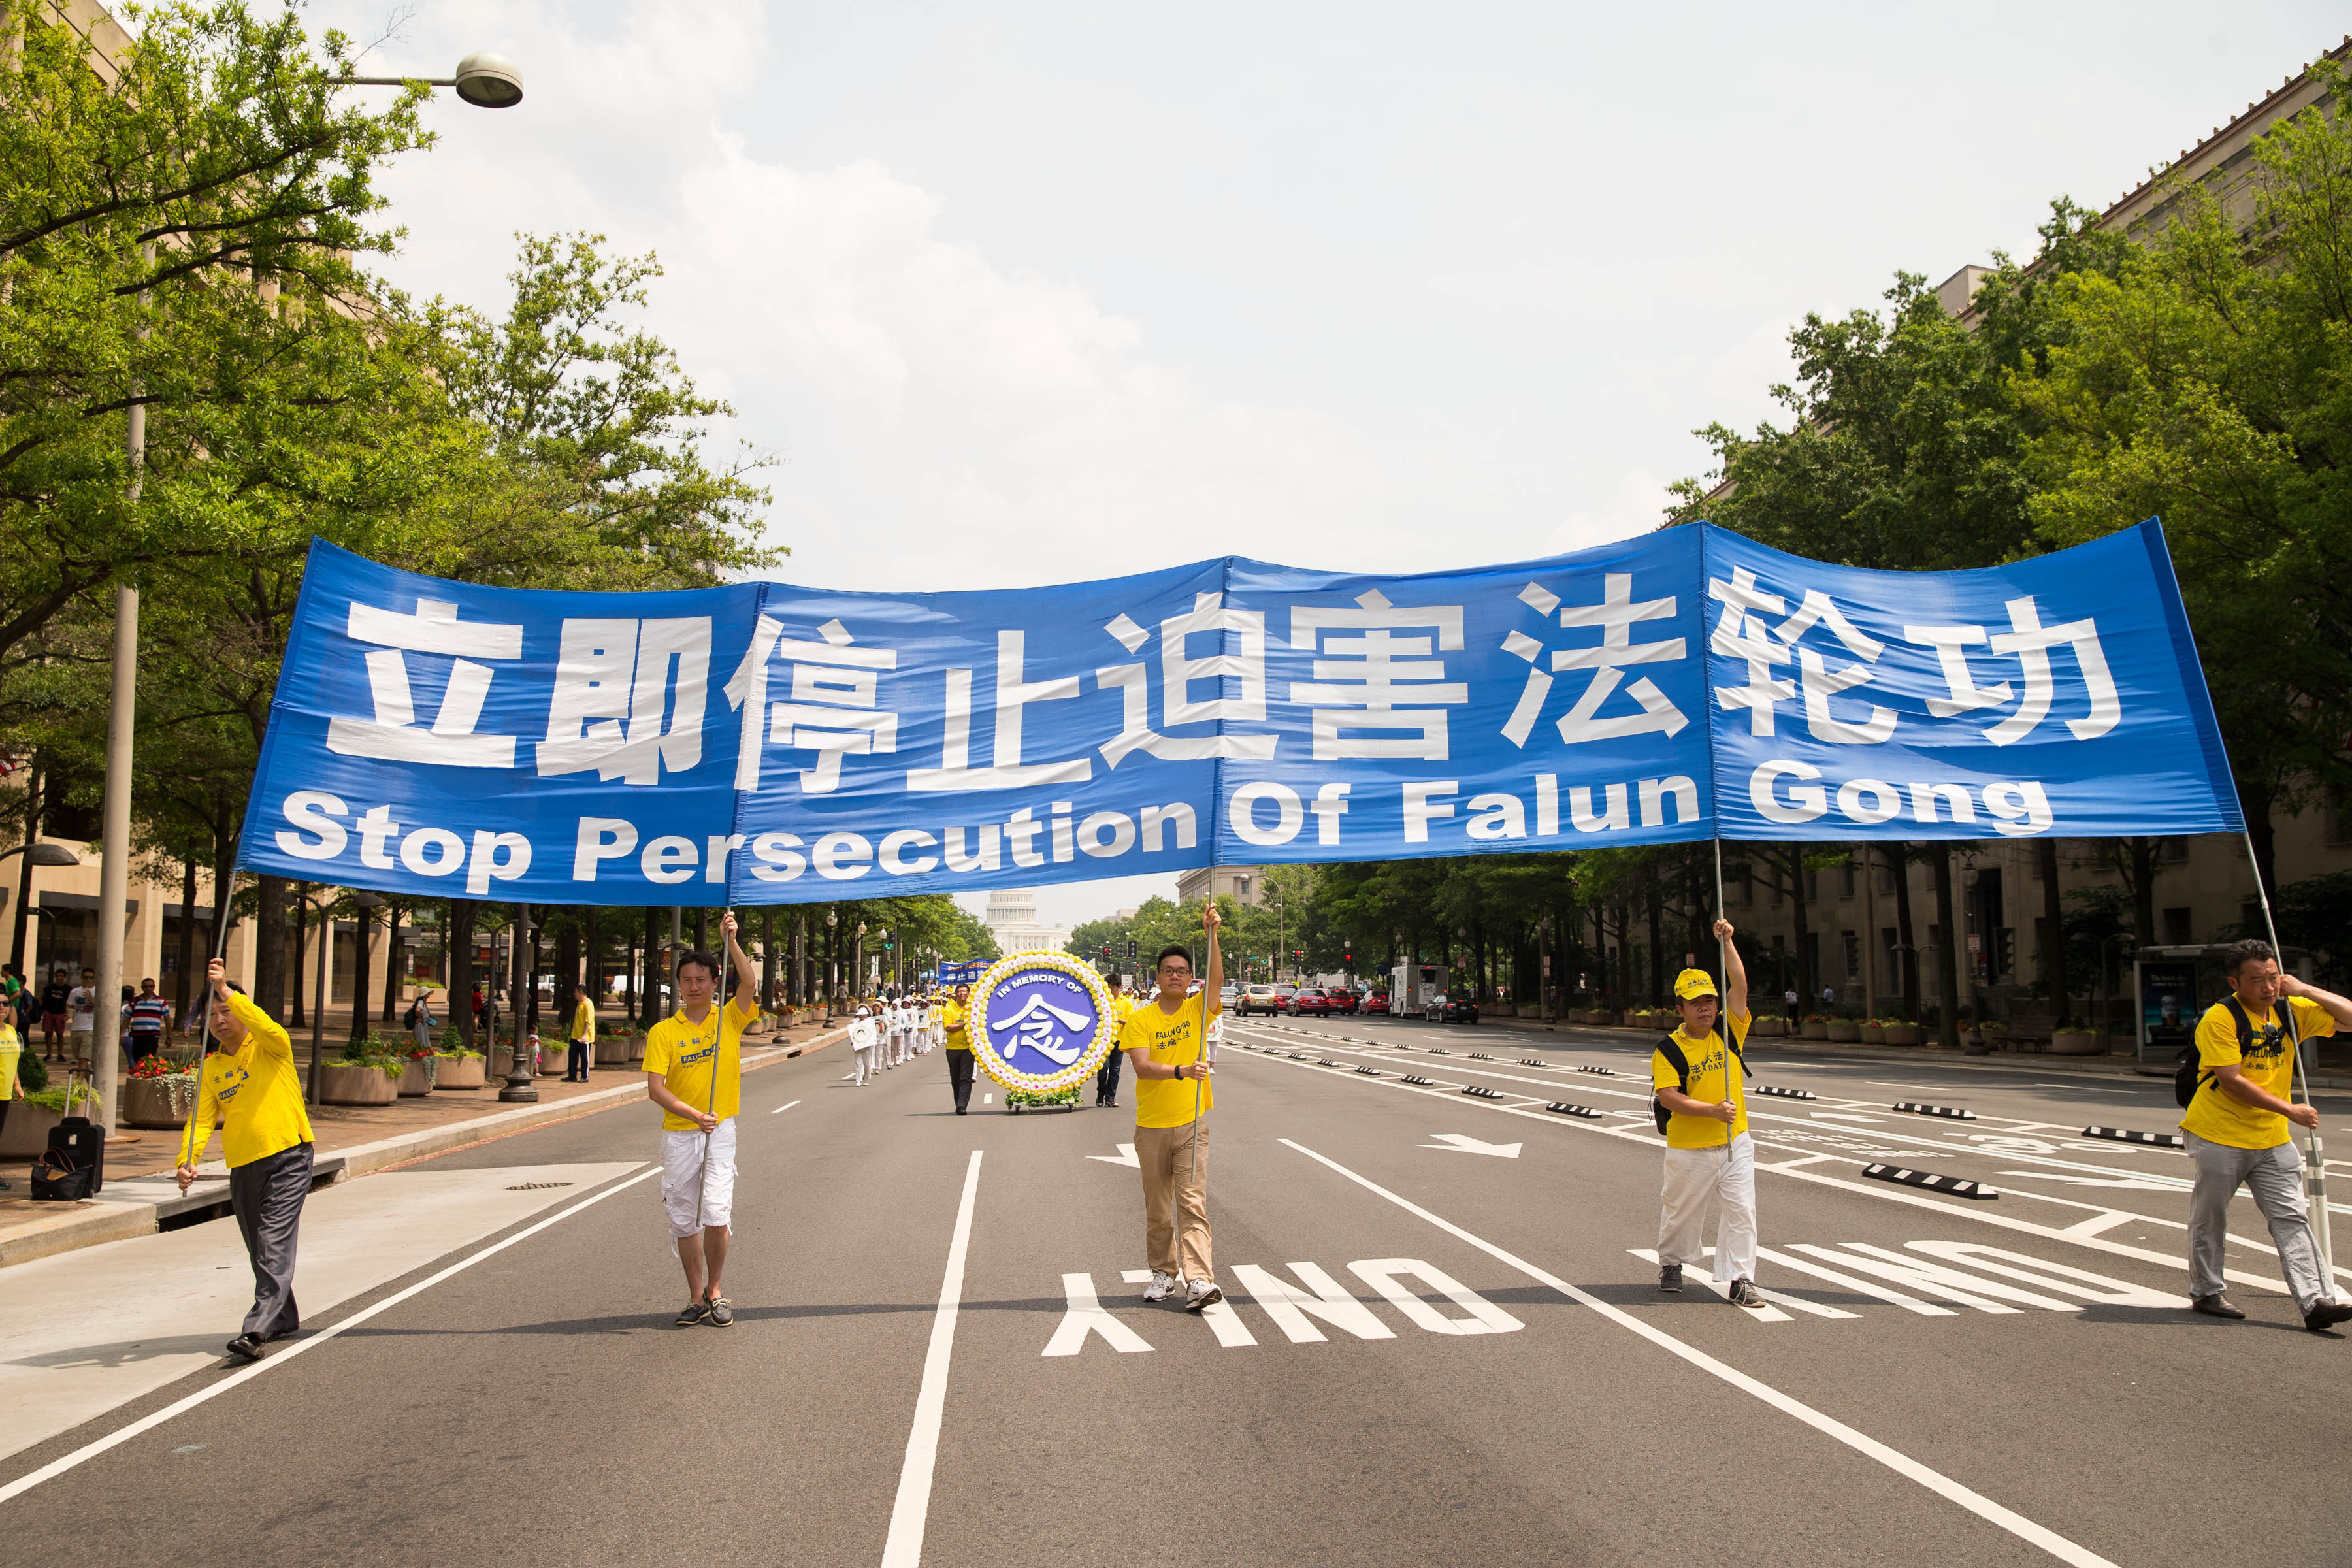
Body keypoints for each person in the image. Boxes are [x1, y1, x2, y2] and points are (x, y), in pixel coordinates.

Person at [2179, 939, 2352, 1331]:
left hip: (2272, 1138)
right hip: (2219, 1133)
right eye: (2257, 980)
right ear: (2235, 982)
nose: (2268, 987)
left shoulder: (2290, 1011)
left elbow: (2349, 1018)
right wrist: (2290, 1110)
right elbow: (2231, 1081)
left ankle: (2316, 1301)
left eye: (2273, 977)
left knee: (2292, 1216)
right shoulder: (2220, 1019)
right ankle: (2207, 1291)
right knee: (2211, 1216)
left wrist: (2305, 989)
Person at [175, 958, 314, 1362]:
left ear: (241, 1008)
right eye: (211, 1015)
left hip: (288, 1156)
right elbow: (201, 1121)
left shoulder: (270, 1046)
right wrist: (187, 1160)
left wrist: (225, 989)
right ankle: (283, 1317)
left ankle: (256, 1329)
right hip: (243, 1166)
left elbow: (268, 1027)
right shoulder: (212, 1067)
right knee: (259, 1248)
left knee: (272, 1242)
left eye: (226, 1010)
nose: (219, 1020)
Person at [641, 915, 760, 1328]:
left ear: (714, 982)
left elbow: (750, 984)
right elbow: (656, 1089)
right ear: (679, 985)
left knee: (716, 1213)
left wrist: (732, 941)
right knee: (682, 1218)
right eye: (686, 980)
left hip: (720, 1131)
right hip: (680, 1135)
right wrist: (694, 1115)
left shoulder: (729, 1019)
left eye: (701, 979)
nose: (693, 986)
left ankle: (716, 1289)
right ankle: (695, 1297)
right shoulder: (663, 1032)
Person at [1654, 920, 1764, 1309]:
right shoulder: (1668, 1049)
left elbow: (1741, 985)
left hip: (1735, 1142)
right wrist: (1713, 1111)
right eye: (1695, 1003)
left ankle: (1741, 1279)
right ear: (1680, 1008)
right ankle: (1672, 1263)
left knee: (1742, 1211)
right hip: (1689, 1147)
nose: (1704, 1008)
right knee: (1681, 1213)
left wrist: (1728, 941)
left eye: (1710, 1001)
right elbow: (1669, 1098)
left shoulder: (1729, 1032)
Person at [1120, 904, 1225, 1312]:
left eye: (1182, 971)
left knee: (1192, 1204)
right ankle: (1163, 1273)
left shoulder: (1198, 1009)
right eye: (1168, 971)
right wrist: (1182, 1070)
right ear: (1157, 977)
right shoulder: (1140, 1019)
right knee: (1158, 1209)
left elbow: (1216, 981)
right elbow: (1143, 1068)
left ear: (1189, 978)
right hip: (1151, 1127)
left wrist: (1212, 934)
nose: (1176, 976)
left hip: (1191, 1124)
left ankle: (1199, 1279)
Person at [1095, 973, 1134, 1109]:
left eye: (1113, 987)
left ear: (1119, 987)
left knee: (1115, 1070)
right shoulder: (1102, 1001)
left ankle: (1110, 1098)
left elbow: (1131, 1022)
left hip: (1118, 1040)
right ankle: (1101, 1092)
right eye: (1108, 987)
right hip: (1104, 1040)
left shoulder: (1126, 1003)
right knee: (1103, 1068)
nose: (1110, 990)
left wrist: (1117, 1019)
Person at [941, 983, 975, 1113]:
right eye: (960, 991)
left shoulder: (973, 1009)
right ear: (956, 994)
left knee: (966, 1078)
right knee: (955, 1079)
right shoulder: (949, 1009)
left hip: (968, 1048)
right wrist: (964, 1024)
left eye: (964, 991)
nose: (962, 994)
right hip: (952, 1048)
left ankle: (962, 1105)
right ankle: (958, 1102)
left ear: (968, 994)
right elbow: (948, 1027)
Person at [127, 978, 171, 1065]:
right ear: (142, 988)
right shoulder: (134, 1001)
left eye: (150, 986)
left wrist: (169, 1037)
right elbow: (127, 1018)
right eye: (145, 987)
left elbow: (167, 1020)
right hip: (137, 1035)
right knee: (137, 1059)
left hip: (152, 1036)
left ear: (154, 987)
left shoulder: (161, 1001)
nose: (148, 988)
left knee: (148, 1060)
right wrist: (122, 1034)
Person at [564, 981, 596, 1083]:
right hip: (575, 1035)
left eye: (576, 992)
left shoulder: (588, 1004)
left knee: (584, 1057)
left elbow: (588, 1021)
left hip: (584, 1037)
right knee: (572, 1056)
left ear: (581, 992)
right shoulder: (580, 1003)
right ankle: (572, 1076)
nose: (574, 994)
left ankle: (585, 1076)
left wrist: (585, 1035)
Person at [39, 966, 69, 1060]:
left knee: (60, 1034)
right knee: (48, 1033)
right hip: (48, 1012)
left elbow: (69, 1003)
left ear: (64, 977)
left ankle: (60, 1054)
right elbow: (42, 998)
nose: (59, 978)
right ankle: (49, 1053)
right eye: (57, 976)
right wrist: (41, 1010)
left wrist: (67, 1014)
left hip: (60, 1013)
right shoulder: (49, 988)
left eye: (61, 976)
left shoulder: (68, 989)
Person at [847, 1005, 879, 1086]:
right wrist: (852, 1041)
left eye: (863, 1014)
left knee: (867, 1064)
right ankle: (858, 1080)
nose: (861, 1016)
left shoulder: (870, 1022)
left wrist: (872, 1044)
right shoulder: (855, 1022)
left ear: (866, 1015)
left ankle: (867, 1079)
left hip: (868, 1046)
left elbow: (873, 1033)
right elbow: (853, 1033)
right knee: (858, 1063)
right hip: (858, 1046)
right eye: (860, 1015)